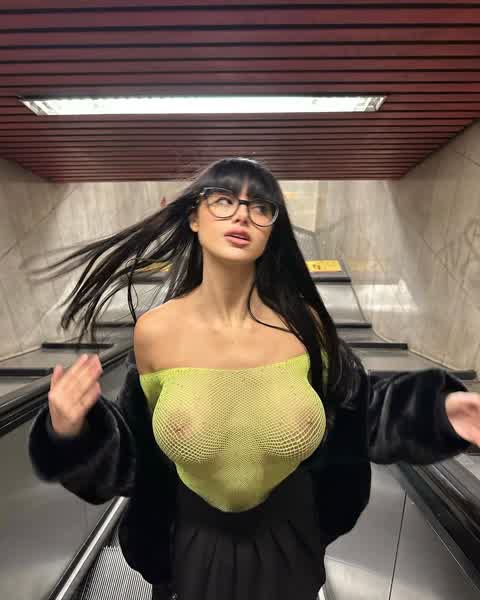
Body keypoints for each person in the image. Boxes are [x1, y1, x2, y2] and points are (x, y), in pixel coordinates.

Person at [28, 158, 480, 600]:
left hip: (292, 540)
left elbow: (356, 408)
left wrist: (439, 412)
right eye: (224, 199)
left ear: (271, 229)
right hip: (188, 547)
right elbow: (136, 450)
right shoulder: (155, 333)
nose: (242, 214)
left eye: (260, 206)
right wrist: (71, 432)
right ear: (194, 217)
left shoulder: (305, 325)